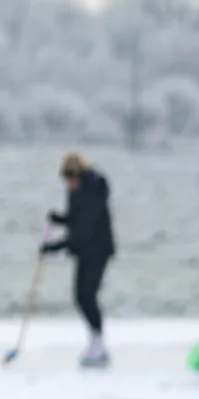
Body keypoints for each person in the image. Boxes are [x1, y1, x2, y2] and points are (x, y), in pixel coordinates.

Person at [41, 151, 116, 368]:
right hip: (85, 251)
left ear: (78, 175)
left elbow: (83, 231)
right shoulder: (78, 191)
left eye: (69, 178)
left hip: (97, 250)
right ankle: (95, 341)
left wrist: (53, 247)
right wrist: (60, 219)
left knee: (87, 295)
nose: (68, 183)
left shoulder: (93, 190)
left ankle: (98, 344)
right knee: (81, 296)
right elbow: (76, 219)